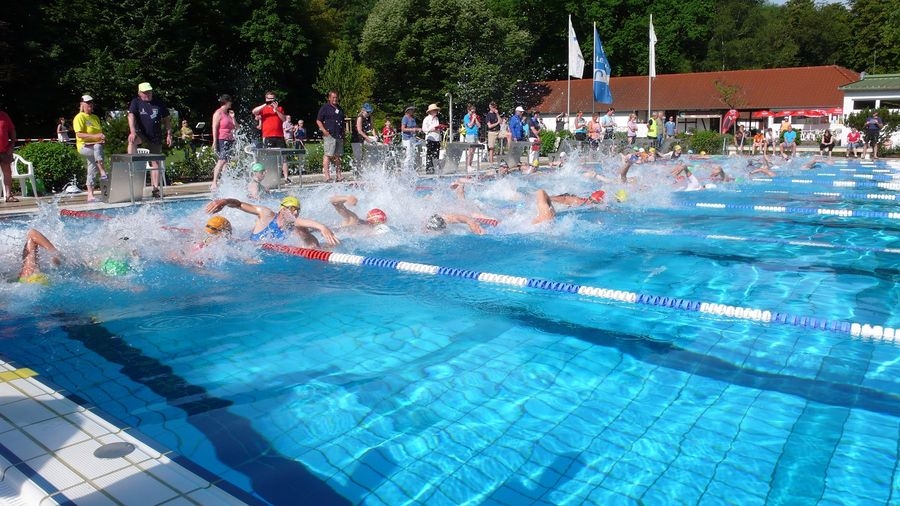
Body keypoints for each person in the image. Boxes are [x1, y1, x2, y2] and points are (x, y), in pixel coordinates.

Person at [205, 195, 339, 248]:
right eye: (292, 209)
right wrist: (225, 201)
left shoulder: (293, 227)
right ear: (282, 209)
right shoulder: (266, 215)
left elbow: (300, 222)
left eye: (298, 210)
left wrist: (322, 227)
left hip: (261, 254)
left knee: (305, 234)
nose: (295, 213)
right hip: (247, 247)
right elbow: (239, 204)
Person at [127, 82, 172, 198]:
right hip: (141, 133)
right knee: (132, 140)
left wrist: (169, 134)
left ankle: (155, 188)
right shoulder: (136, 102)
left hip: (155, 135)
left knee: (155, 161)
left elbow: (166, 119)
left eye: (149, 92)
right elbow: (131, 116)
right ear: (139, 93)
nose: (148, 94)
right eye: (145, 92)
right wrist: (132, 131)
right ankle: (131, 162)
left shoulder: (158, 102)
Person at [73, 94, 107, 202]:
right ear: (82, 104)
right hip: (84, 146)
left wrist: (102, 137)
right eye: (87, 103)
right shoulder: (79, 117)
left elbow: (99, 133)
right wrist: (96, 137)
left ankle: (90, 194)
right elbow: (79, 134)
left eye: (91, 103)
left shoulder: (95, 117)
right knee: (97, 147)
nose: (90, 105)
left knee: (92, 167)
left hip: (95, 146)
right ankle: (102, 171)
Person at [252, 91, 291, 183]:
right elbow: (254, 111)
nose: (271, 100)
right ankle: (268, 177)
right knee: (268, 157)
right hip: (267, 136)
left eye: (272, 99)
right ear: (266, 99)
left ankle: (286, 177)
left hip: (279, 136)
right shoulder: (263, 109)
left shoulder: (279, 108)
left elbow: (284, 119)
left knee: (283, 157)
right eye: (269, 98)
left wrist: (276, 110)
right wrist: (266, 104)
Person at [314, 90, 346, 182]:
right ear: (329, 98)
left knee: (338, 156)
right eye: (333, 97)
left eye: (336, 97)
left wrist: (343, 134)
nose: (335, 99)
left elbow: (342, 122)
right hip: (329, 135)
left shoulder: (340, 108)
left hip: (339, 135)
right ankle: (327, 176)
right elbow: (318, 120)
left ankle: (339, 175)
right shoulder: (325, 108)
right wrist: (324, 130)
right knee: (328, 155)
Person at [532, 188, 606, 224]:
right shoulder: (579, 201)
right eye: (590, 199)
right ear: (588, 197)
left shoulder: (598, 208)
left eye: (594, 202)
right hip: (561, 200)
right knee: (541, 193)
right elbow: (565, 199)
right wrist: (548, 199)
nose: (590, 202)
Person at [210, 94, 236, 191]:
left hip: (230, 140)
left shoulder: (229, 114)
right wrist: (214, 141)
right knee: (222, 160)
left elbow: (237, 127)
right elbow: (214, 127)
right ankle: (214, 182)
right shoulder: (218, 113)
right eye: (230, 101)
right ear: (226, 102)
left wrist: (233, 117)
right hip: (222, 139)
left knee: (226, 162)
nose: (231, 103)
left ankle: (225, 182)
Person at [351, 103, 377, 171]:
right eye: (367, 112)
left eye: (370, 112)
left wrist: (375, 135)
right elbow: (359, 131)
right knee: (358, 157)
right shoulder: (360, 117)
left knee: (366, 155)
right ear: (363, 110)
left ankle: (365, 170)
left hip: (363, 138)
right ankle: (356, 172)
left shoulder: (370, 117)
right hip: (356, 138)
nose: (368, 113)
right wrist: (368, 138)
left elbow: (372, 127)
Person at [0, 108, 17, 201]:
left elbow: (12, 130)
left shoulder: (4, 115)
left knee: (7, 173)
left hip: (5, 150)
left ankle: (8, 195)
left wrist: (12, 145)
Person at [422, 103, 442, 175]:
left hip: (437, 138)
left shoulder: (436, 119)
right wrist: (431, 129)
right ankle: (429, 170)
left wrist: (439, 128)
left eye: (436, 110)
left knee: (436, 154)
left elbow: (437, 128)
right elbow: (424, 129)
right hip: (430, 138)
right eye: (434, 110)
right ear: (430, 111)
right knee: (429, 155)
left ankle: (436, 169)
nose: (436, 111)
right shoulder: (426, 119)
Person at [400, 105, 420, 172]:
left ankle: (411, 169)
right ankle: (405, 170)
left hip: (412, 138)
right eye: (411, 110)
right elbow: (403, 129)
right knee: (408, 155)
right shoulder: (405, 118)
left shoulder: (413, 119)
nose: (413, 111)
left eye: (413, 110)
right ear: (408, 111)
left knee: (412, 155)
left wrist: (418, 129)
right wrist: (413, 129)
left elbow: (414, 127)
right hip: (407, 139)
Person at [464, 104, 481, 172]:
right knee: (470, 151)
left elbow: (479, 125)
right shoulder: (466, 117)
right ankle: (468, 166)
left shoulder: (476, 116)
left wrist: (475, 119)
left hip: (475, 134)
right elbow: (470, 125)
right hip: (470, 135)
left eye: (474, 111)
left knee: (473, 152)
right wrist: (473, 118)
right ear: (468, 110)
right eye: (472, 111)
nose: (473, 113)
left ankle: (470, 165)